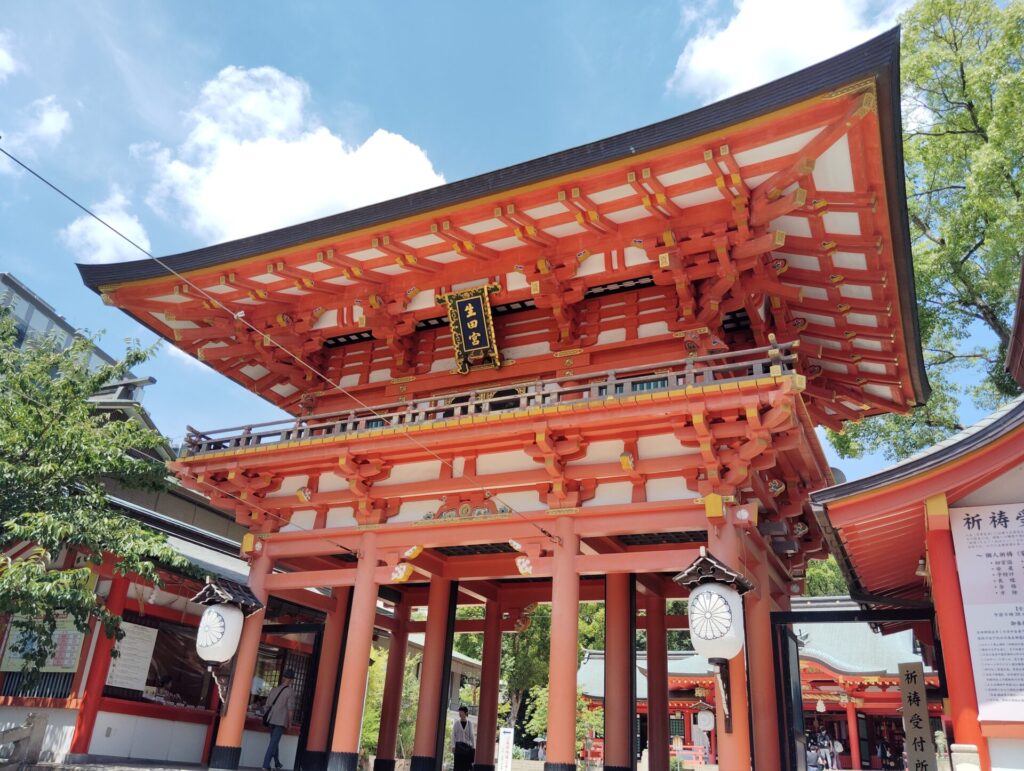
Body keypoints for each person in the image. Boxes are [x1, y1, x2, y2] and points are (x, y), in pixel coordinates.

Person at [262, 669, 296, 771]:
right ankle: (265, 765)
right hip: (280, 721)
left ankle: (277, 763)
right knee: (273, 743)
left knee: (274, 742)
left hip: (271, 719)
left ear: (284, 677)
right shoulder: (290, 691)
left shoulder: (274, 689)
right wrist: (290, 723)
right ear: (291, 680)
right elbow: (290, 709)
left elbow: (267, 706)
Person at [452, 705, 475, 771]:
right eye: (459, 712)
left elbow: (472, 736)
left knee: (466, 766)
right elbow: (453, 735)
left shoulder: (469, 723)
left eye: (461, 712)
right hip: (458, 748)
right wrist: (453, 746)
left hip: (467, 748)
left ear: (465, 713)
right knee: (458, 766)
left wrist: (473, 748)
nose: (460, 713)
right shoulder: (456, 723)